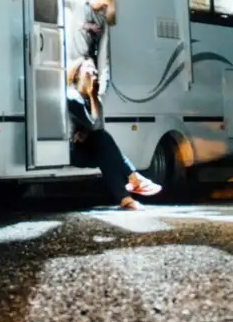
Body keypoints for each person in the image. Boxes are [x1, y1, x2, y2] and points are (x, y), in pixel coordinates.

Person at [67, 57, 162, 209]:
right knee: (102, 140)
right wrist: (93, 97)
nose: (94, 72)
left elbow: (97, 127)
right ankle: (133, 178)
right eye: (89, 68)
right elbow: (96, 128)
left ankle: (126, 198)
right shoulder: (72, 97)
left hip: (86, 150)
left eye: (95, 69)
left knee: (105, 151)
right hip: (69, 153)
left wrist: (87, 127)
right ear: (77, 74)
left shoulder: (94, 99)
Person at [69, 0, 117, 99]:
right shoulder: (80, 5)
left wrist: (102, 83)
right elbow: (102, 54)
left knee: (85, 95)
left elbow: (102, 53)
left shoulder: (100, 19)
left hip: (83, 62)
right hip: (77, 61)